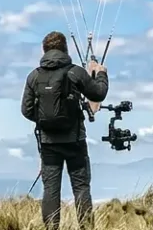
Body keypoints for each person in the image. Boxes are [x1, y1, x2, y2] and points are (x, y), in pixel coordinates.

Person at [21, 31, 109, 230]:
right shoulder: (75, 72)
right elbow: (98, 93)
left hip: (48, 144)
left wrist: (44, 121)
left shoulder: (34, 76)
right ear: (65, 49)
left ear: (44, 51)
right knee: (81, 188)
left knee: (51, 190)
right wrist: (101, 73)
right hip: (75, 141)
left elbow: (26, 110)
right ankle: (86, 228)